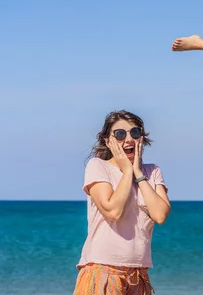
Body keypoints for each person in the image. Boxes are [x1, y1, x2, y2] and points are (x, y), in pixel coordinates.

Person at [73, 110, 171, 295]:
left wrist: (138, 173)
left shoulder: (152, 171)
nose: (128, 139)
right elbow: (113, 211)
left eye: (134, 132)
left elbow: (160, 215)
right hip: (103, 270)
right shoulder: (98, 166)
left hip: (139, 274)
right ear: (107, 140)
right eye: (119, 134)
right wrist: (127, 171)